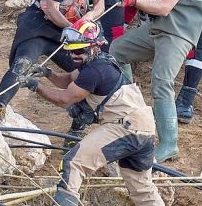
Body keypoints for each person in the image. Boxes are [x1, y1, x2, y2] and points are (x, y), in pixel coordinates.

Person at [17, 20, 164, 206]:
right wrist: (47, 73)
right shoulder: (97, 63)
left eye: (78, 51)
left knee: (73, 162)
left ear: (94, 47)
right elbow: (69, 80)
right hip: (144, 129)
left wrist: (35, 86)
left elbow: (64, 98)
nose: (73, 55)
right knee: (142, 188)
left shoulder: (94, 71)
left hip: (125, 128)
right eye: (71, 51)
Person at [110, 0, 202, 162]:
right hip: (156, 28)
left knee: (162, 81)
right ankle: (133, 108)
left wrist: (133, 1)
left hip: (177, 33)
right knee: (116, 51)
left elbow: (164, 7)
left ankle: (169, 143)